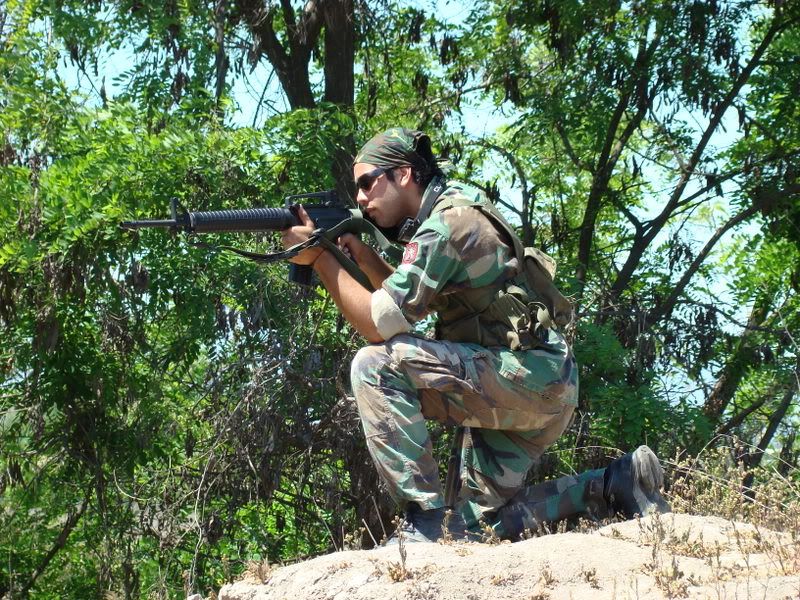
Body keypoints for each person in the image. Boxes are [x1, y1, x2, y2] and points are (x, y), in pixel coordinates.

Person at [281, 128, 670, 543]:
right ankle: (614, 485)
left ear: (405, 175)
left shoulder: (447, 225)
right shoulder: (454, 208)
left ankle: (422, 520)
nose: (360, 198)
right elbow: (412, 307)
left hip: (527, 378)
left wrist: (321, 258)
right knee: (469, 528)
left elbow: (379, 324)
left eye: (367, 183)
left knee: (375, 365)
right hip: (535, 379)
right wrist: (360, 254)